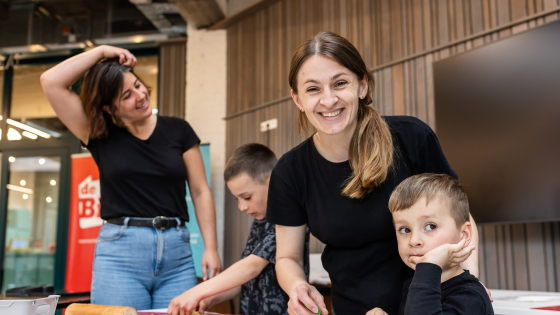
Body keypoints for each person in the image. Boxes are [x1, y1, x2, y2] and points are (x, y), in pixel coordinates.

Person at [265, 31, 482, 315]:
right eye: (313, 89)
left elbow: (461, 218)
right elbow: (287, 257)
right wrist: (296, 286)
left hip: (434, 306)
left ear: (363, 85)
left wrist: (472, 284)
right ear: (297, 98)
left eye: (340, 83)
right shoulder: (290, 172)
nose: (328, 100)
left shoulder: (411, 137)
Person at [40, 45, 222, 310]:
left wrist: (211, 247)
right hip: (119, 257)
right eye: (127, 95)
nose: (141, 95)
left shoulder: (178, 129)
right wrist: (101, 50)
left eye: (138, 85)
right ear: (108, 107)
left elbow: (200, 191)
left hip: (176, 255)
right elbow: (51, 81)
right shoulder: (98, 133)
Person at [167, 143, 310, 315]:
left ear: (273, 183)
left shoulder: (287, 218)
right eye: (237, 199)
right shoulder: (259, 220)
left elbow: (251, 267)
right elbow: (247, 279)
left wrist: (196, 291)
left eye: (247, 197)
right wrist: (211, 297)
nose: (242, 207)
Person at [366, 173, 493, 315]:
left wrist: (429, 265)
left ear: (464, 234)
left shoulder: (470, 297)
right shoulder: (414, 286)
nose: (414, 240)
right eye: (405, 229)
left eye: (431, 226)